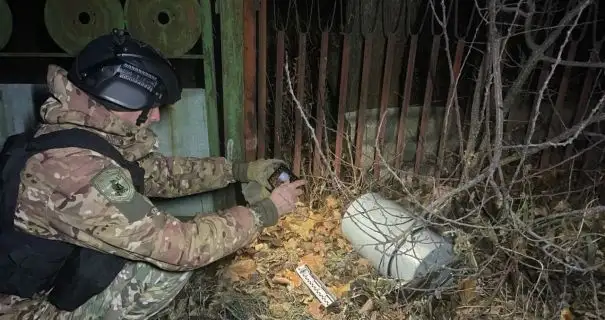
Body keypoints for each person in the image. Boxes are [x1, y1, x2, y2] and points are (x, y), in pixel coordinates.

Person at [0, 29, 306, 319]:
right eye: (152, 105)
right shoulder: (78, 174)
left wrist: (240, 171)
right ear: (122, 96)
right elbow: (183, 246)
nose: (157, 115)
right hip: (23, 309)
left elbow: (157, 173)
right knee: (167, 263)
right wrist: (267, 211)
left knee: (147, 235)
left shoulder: (78, 134)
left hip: (40, 279)